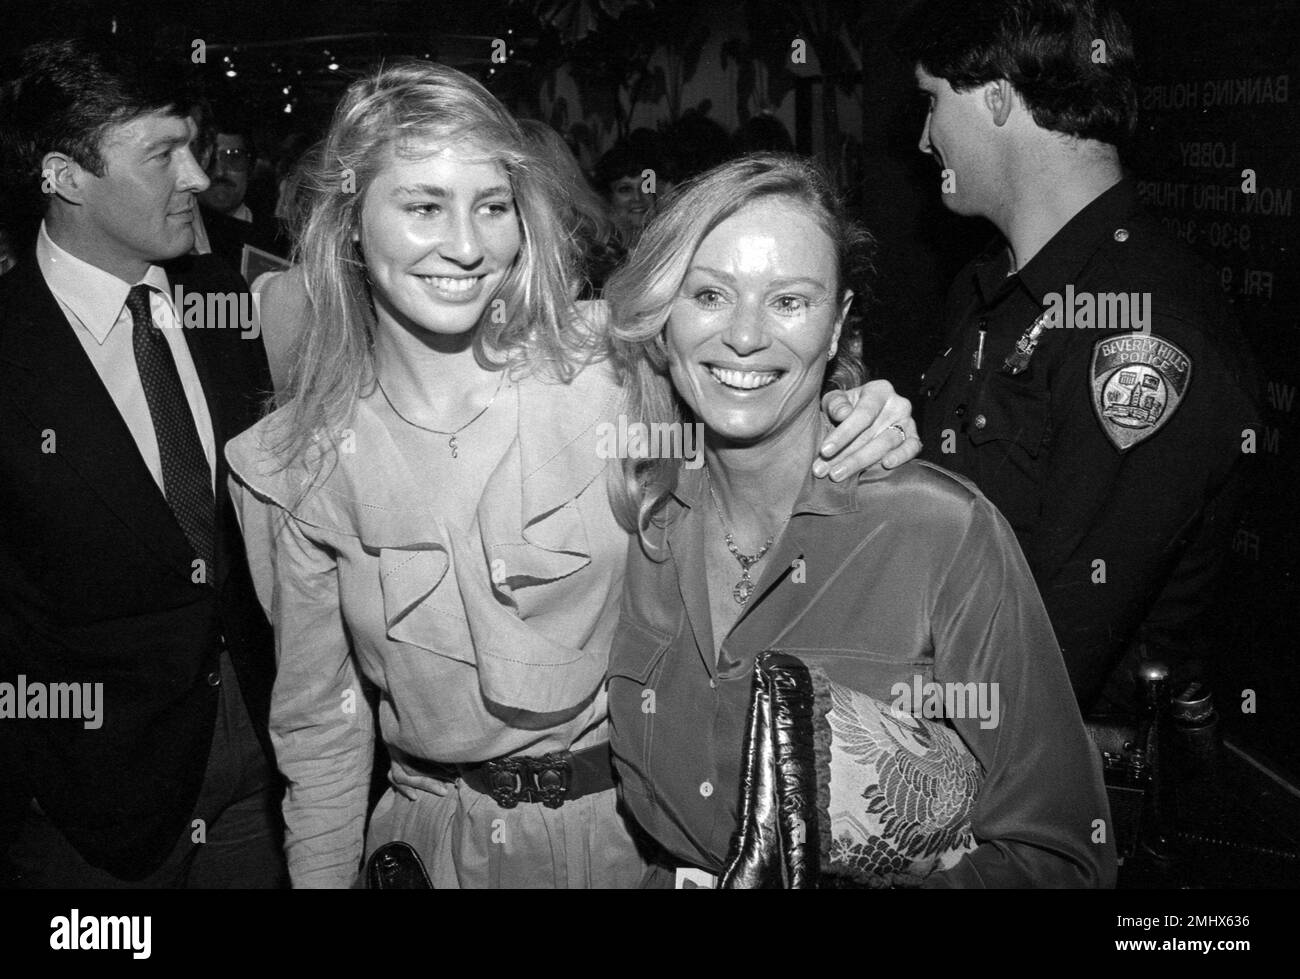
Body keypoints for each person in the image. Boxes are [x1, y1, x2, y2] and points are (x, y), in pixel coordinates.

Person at [224, 61, 921, 888]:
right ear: (350, 223)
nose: (467, 244)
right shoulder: (297, 463)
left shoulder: (608, 365)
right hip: (427, 850)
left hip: (631, 838)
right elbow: (323, 736)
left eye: (492, 206)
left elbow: (759, 373)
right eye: (422, 206)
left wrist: (859, 409)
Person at [604, 153, 1115, 888]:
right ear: (663, 313)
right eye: (710, 294)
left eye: (789, 301)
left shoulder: (940, 531)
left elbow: (1060, 856)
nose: (745, 337)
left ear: (839, 322)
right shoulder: (643, 511)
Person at [899, 0, 1261, 710]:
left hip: (1050, 793)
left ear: (997, 99)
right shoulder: (990, 289)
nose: (923, 139)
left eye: (932, 103)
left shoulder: (1149, 329)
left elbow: (1050, 654)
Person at [0, 39, 283, 887]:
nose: (196, 176)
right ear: (64, 175)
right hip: (91, 801)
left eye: (193, 147)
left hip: (263, 759)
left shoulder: (226, 302)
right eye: (163, 153)